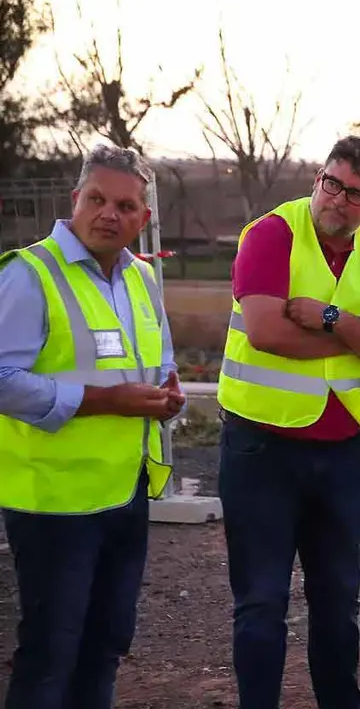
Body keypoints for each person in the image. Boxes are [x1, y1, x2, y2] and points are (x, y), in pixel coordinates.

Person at [216, 135, 360, 709]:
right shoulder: (270, 235)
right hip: (260, 447)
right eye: (333, 184)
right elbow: (266, 332)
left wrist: (329, 319)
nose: (340, 200)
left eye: (357, 193)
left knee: (339, 602)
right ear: (317, 179)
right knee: (260, 603)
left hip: (339, 454)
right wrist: (359, 333)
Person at [0, 144, 183, 709]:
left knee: (104, 648)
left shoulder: (140, 282)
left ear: (143, 219)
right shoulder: (30, 275)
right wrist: (105, 401)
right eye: (98, 199)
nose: (110, 214)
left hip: (124, 493)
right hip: (54, 504)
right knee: (51, 656)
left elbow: (162, 362)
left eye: (126, 206)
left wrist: (167, 395)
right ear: (75, 199)